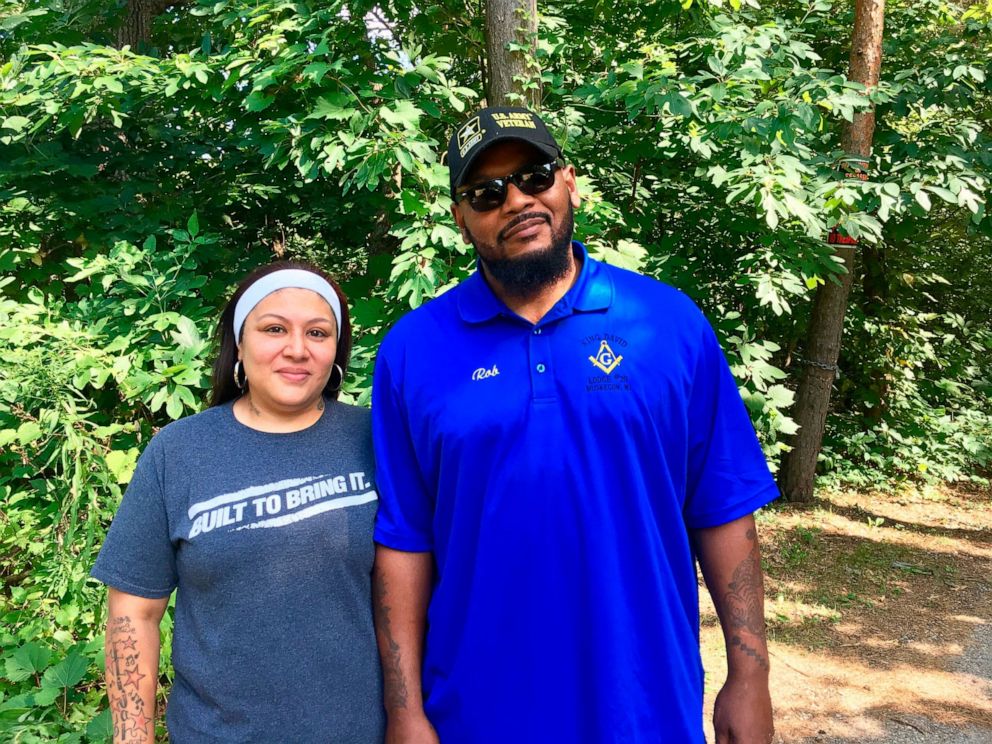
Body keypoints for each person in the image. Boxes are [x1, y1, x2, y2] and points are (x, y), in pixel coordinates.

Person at [371, 107, 778, 744]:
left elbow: (723, 509)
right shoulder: (413, 351)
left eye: (534, 177)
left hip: (646, 706)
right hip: (476, 712)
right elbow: (404, 543)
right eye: (486, 192)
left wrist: (749, 677)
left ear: (569, 183)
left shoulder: (668, 324)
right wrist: (405, 712)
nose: (516, 201)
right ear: (460, 216)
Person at [91, 261, 385, 743]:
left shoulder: (375, 439)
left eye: (317, 332)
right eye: (274, 329)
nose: (297, 349)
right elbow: (133, 613)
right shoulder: (178, 452)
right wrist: (132, 737)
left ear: (336, 352)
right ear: (239, 345)